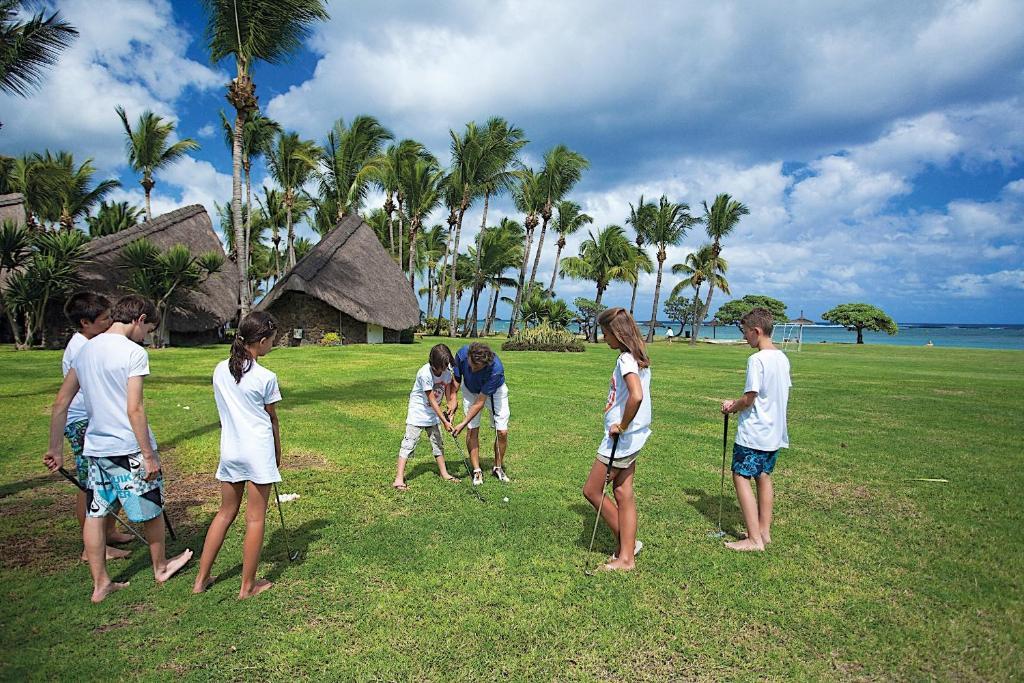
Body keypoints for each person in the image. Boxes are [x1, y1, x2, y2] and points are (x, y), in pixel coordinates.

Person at [44, 295, 193, 603]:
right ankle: (161, 567)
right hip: (128, 446)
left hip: (96, 447)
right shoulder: (132, 353)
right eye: (149, 329)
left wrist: (55, 449)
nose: (147, 337)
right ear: (138, 319)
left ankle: (101, 584)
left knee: (96, 512)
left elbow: (61, 403)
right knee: (151, 507)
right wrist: (148, 455)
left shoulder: (86, 350)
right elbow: (134, 409)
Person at [194, 312, 282, 599]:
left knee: (224, 513)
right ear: (262, 340)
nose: (273, 345)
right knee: (255, 519)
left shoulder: (220, 369)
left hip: (231, 450)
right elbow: (272, 421)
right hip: (257, 452)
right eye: (272, 341)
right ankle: (247, 586)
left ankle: (201, 579)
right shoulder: (266, 377)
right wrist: (277, 455)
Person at [61, 292, 134, 561]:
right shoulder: (82, 348)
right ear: (85, 322)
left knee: (107, 480)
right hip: (84, 421)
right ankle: (92, 546)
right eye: (103, 319)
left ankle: (109, 531)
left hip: (96, 418)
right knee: (89, 484)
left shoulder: (91, 342)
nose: (108, 323)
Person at [582, 307, 652, 572]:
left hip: (621, 440)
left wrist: (620, 426)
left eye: (606, 332)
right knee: (623, 493)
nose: (604, 337)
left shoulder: (626, 359)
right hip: (634, 438)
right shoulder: (638, 356)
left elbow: (636, 396)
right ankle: (627, 554)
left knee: (591, 490)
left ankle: (627, 550)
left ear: (617, 333)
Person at [720, 307, 791, 552]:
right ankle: (764, 531)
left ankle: (753, 539)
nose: (744, 337)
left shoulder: (757, 360)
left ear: (757, 331)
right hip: (774, 432)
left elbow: (750, 398)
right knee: (763, 476)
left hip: (754, 432)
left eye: (745, 333)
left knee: (740, 475)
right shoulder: (782, 358)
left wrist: (732, 406)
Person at [392, 343, 460, 491]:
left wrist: (450, 412)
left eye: (445, 365)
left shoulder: (447, 372)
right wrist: (444, 421)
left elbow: (448, 395)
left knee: (438, 442)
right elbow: (432, 401)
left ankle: (444, 473)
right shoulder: (425, 373)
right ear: (433, 363)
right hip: (418, 412)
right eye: (441, 367)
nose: (443, 369)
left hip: (433, 414)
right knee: (409, 443)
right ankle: (398, 479)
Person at [451, 342, 511, 486]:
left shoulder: (496, 369)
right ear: (469, 356)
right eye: (472, 364)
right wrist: (452, 400)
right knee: (472, 430)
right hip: (470, 390)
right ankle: (476, 470)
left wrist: (462, 423)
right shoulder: (462, 354)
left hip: (494, 392)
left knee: (502, 432)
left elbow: (480, 403)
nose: (473, 369)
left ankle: (498, 467)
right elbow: (457, 380)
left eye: (478, 368)